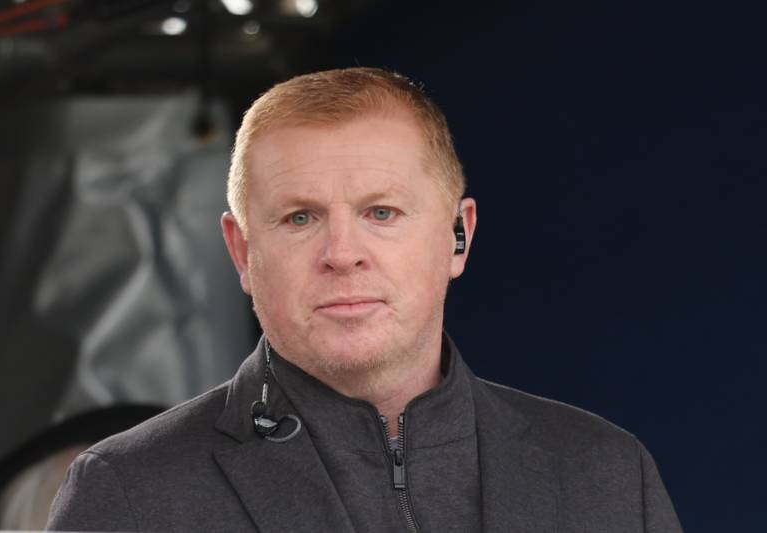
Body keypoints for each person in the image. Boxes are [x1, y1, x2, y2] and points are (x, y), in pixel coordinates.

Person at [46, 68, 683, 532]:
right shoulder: (130, 494)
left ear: (458, 236)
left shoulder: (608, 474)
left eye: (381, 212)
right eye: (300, 218)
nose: (342, 253)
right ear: (242, 252)